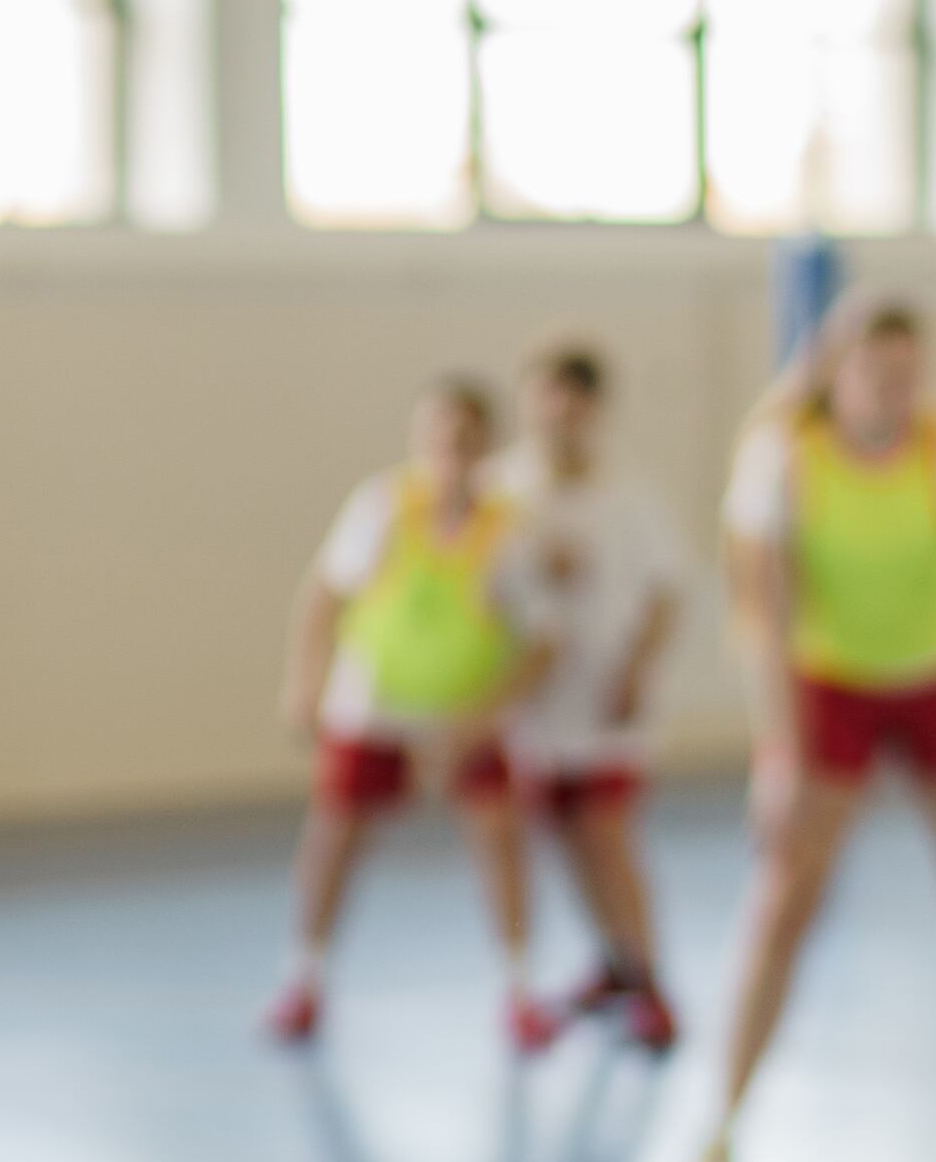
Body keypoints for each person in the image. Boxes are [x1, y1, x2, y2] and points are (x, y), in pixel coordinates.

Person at [680, 295, 936, 1162]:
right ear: (835, 375)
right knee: (785, 903)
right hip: (832, 688)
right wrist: (781, 755)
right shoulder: (783, 459)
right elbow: (762, 618)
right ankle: (719, 1130)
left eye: (908, 370)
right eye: (875, 370)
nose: (895, 387)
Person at [266, 378, 554, 1049]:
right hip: (372, 703)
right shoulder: (383, 506)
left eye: (467, 436)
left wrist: (477, 721)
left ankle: (519, 989)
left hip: (461, 709)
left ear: (488, 444)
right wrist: (304, 683)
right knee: (335, 837)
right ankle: (304, 978)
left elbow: (542, 643)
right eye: (440, 434)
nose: (451, 450)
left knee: (500, 838)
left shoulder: (510, 527)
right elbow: (324, 594)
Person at [485, 339, 688, 1055]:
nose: (558, 412)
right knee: (564, 836)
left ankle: (649, 979)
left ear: (595, 409)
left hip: (606, 702)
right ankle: (610, 960)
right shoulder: (501, 492)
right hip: (536, 704)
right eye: (546, 395)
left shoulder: (630, 494)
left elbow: (668, 593)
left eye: (574, 398)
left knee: (608, 834)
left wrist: (635, 668)